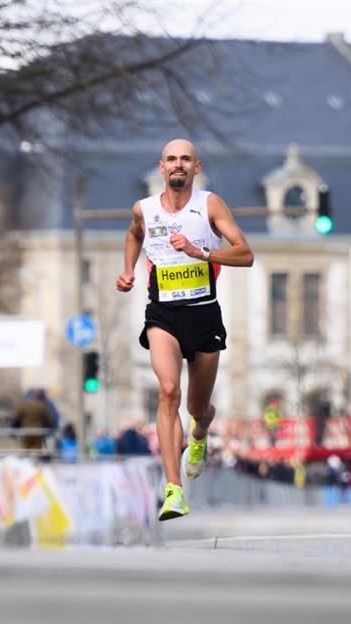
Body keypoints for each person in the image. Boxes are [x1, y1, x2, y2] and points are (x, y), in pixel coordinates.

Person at [116, 138, 254, 520]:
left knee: (197, 406)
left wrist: (202, 252)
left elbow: (246, 253)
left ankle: (199, 434)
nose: (178, 165)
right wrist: (129, 269)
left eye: (186, 160)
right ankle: (174, 490)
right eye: (172, 159)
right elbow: (133, 234)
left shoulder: (209, 204)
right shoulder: (143, 209)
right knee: (168, 390)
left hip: (203, 314)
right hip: (163, 313)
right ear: (161, 167)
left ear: (196, 167)